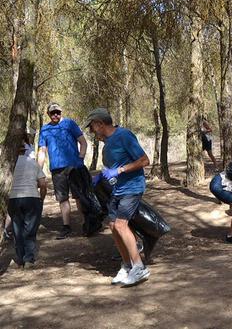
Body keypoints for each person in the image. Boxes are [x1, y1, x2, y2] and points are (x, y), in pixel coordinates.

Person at [85, 108, 150, 287]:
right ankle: (127, 265)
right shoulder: (107, 144)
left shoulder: (124, 135)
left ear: (100, 123)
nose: (91, 132)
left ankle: (139, 267)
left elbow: (145, 160)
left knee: (121, 224)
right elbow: (112, 167)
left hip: (132, 187)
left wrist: (120, 170)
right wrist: (101, 175)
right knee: (113, 225)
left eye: (92, 127)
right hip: (118, 189)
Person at [38, 102, 87, 239]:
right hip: (56, 169)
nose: (55, 115)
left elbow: (83, 142)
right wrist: (37, 171)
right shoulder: (44, 130)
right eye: (53, 113)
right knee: (62, 199)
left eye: (58, 112)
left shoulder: (70, 124)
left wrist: (80, 159)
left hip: (74, 167)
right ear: (48, 114)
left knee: (78, 196)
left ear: (61, 112)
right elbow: (42, 151)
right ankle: (66, 227)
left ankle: (85, 224)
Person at [8, 139, 47, 268]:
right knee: (30, 229)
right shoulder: (33, 163)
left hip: (13, 198)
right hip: (32, 198)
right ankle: (29, 259)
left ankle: (20, 258)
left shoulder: (8, 164)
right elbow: (42, 184)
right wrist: (41, 198)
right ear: (25, 150)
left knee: (17, 229)